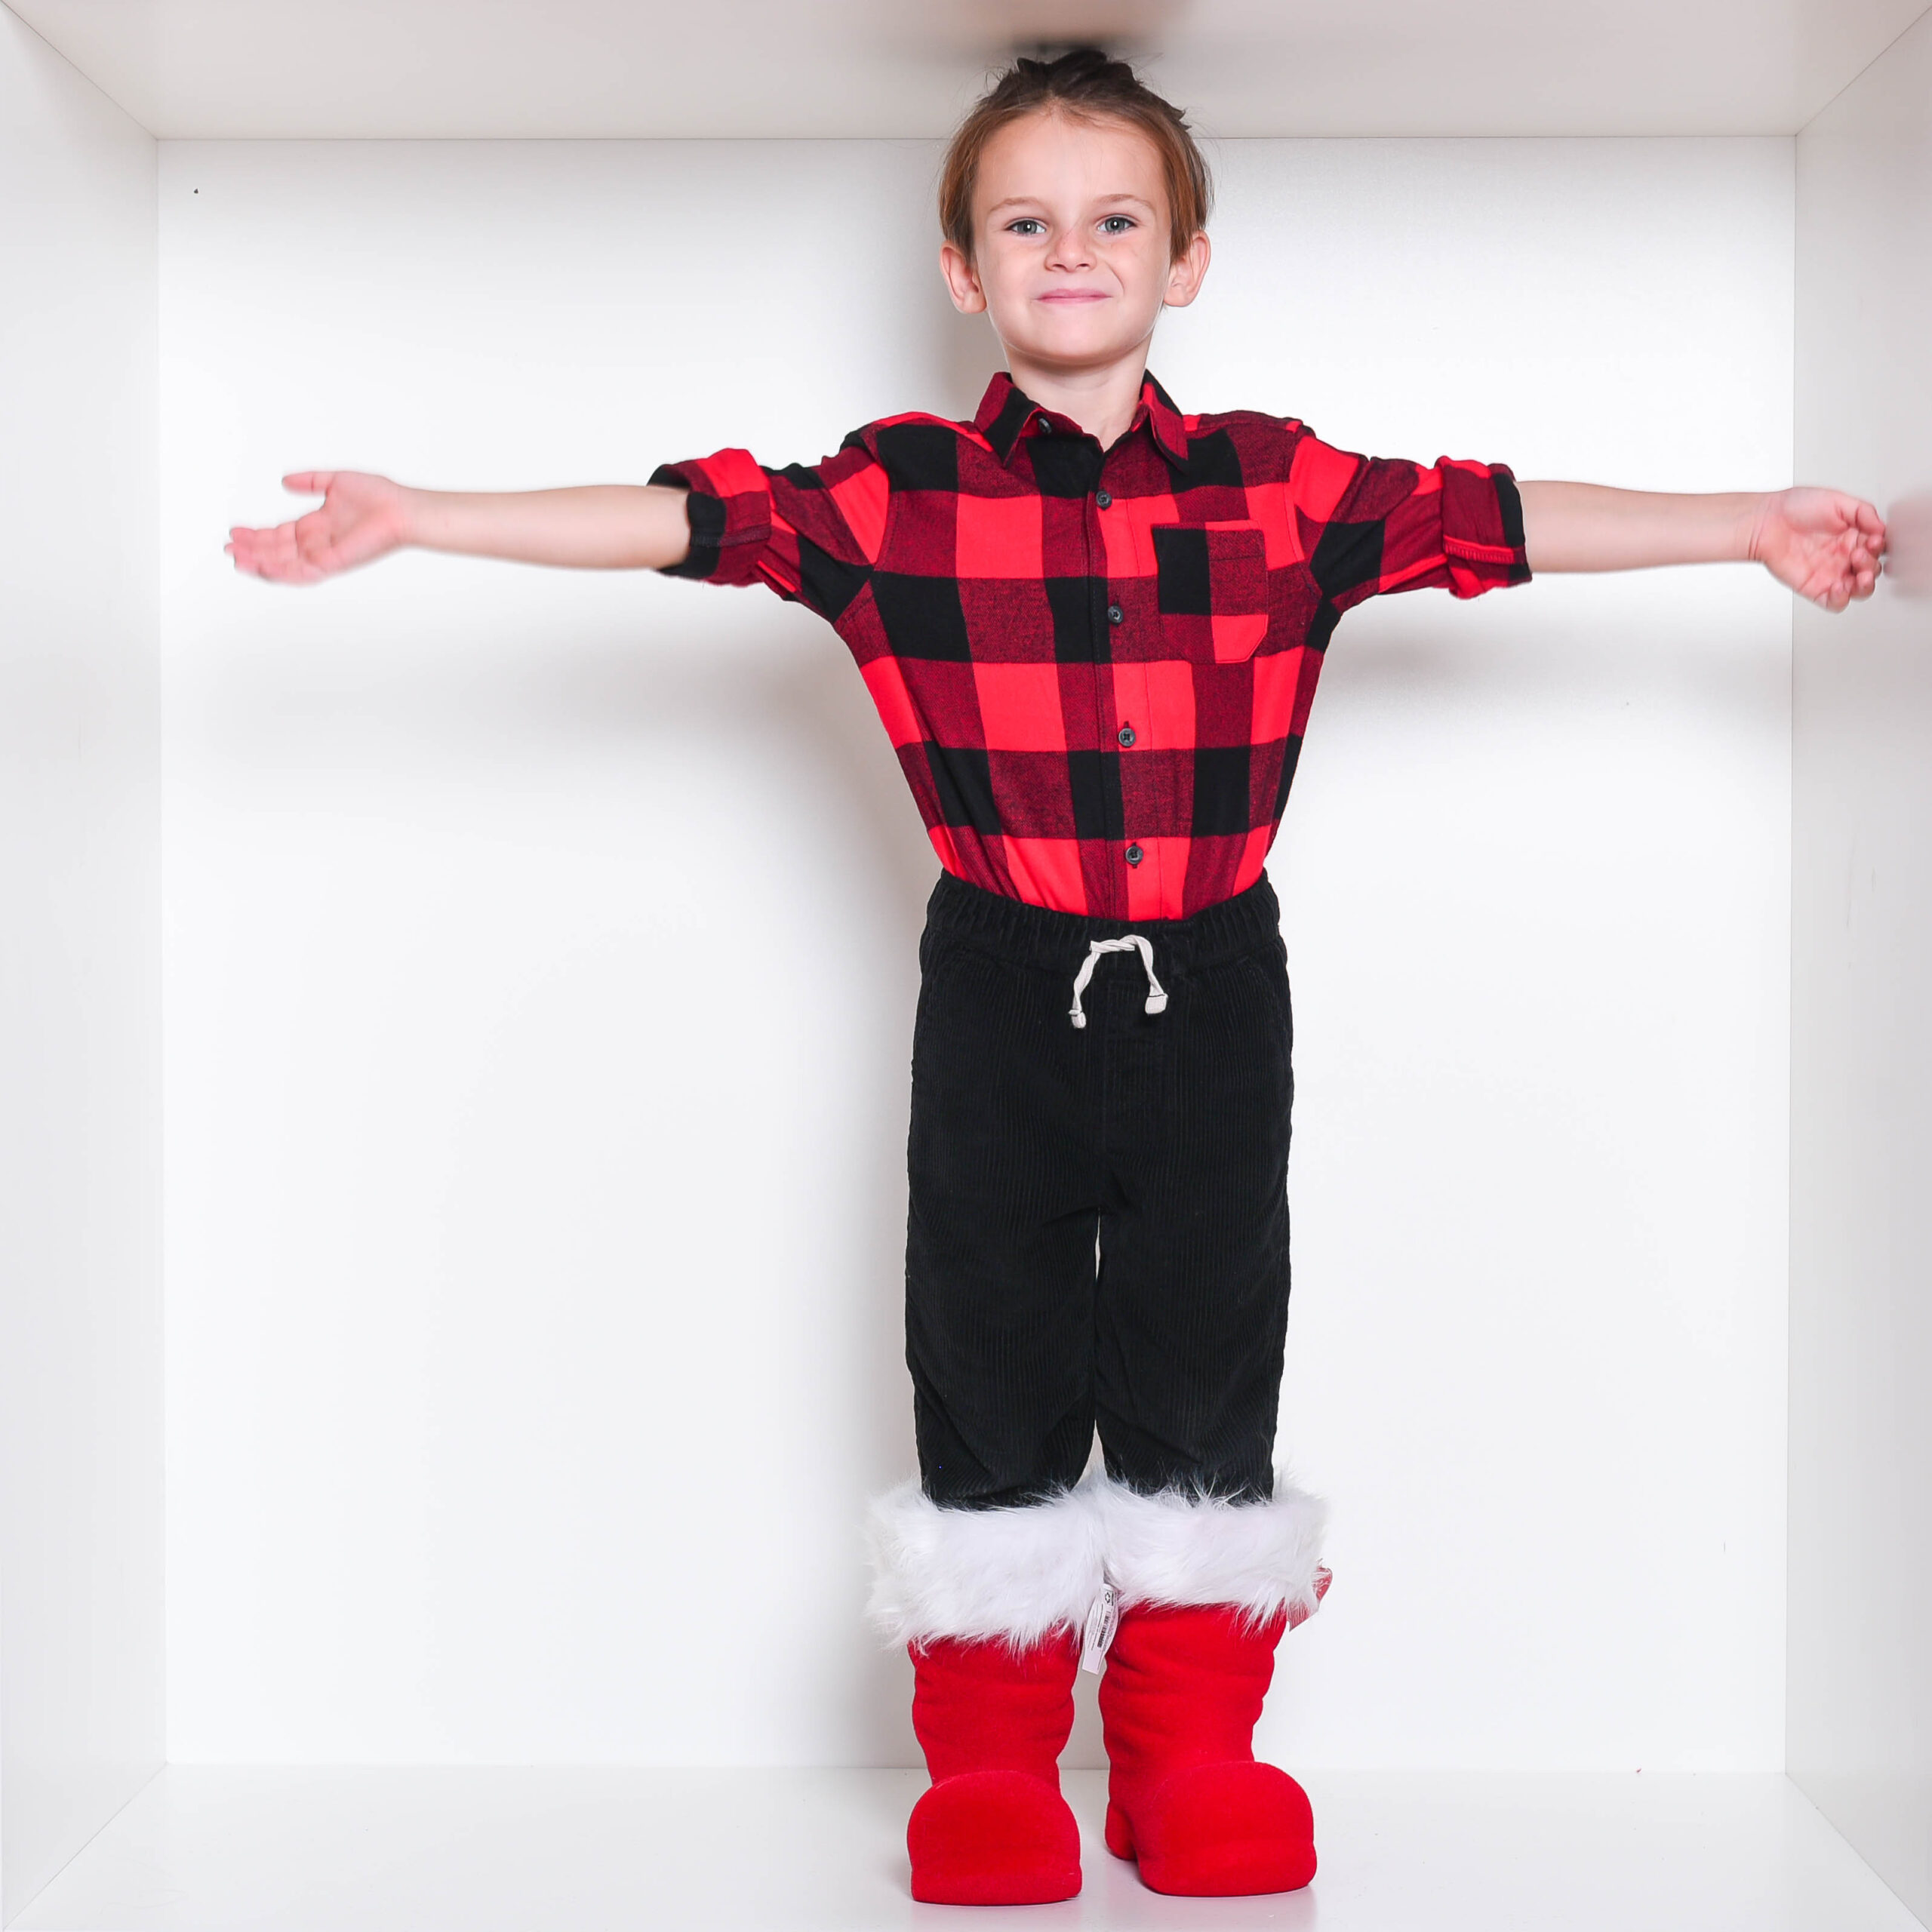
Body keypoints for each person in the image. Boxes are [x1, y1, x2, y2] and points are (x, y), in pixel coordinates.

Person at [225, 48, 1886, 1909]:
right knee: (986, 1333)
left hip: (1213, 978)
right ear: (963, 268)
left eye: (1113, 220)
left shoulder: (1278, 486)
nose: (1069, 250)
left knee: (1205, 1334)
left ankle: (1187, 1755)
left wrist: (1746, 519)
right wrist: (423, 511)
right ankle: (997, 1768)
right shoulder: (891, 495)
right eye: (1024, 222)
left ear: (1184, 259)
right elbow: (681, 520)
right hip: (1000, 981)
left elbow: (1494, 516)